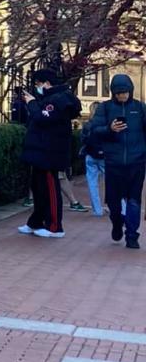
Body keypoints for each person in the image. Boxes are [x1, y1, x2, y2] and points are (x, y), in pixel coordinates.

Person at [17, 69, 81, 238]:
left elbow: (42, 117)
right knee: (38, 189)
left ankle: (55, 226)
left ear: (46, 82)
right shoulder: (49, 99)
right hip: (41, 152)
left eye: (38, 84)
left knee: (50, 189)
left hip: (49, 153)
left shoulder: (58, 100)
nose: (38, 87)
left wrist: (31, 103)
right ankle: (36, 222)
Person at [88, 74, 146, 249]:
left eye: (126, 92)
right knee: (113, 201)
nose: (123, 95)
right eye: (119, 93)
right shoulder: (105, 108)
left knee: (134, 200)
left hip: (137, 161)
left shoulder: (140, 108)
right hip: (113, 162)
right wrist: (109, 129)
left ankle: (132, 235)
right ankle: (116, 222)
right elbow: (94, 130)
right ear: (113, 93)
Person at [80, 106, 107, 218]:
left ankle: (97, 210)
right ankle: (121, 209)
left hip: (90, 155)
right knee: (113, 183)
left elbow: (82, 139)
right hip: (105, 157)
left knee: (92, 183)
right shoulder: (106, 124)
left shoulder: (87, 124)